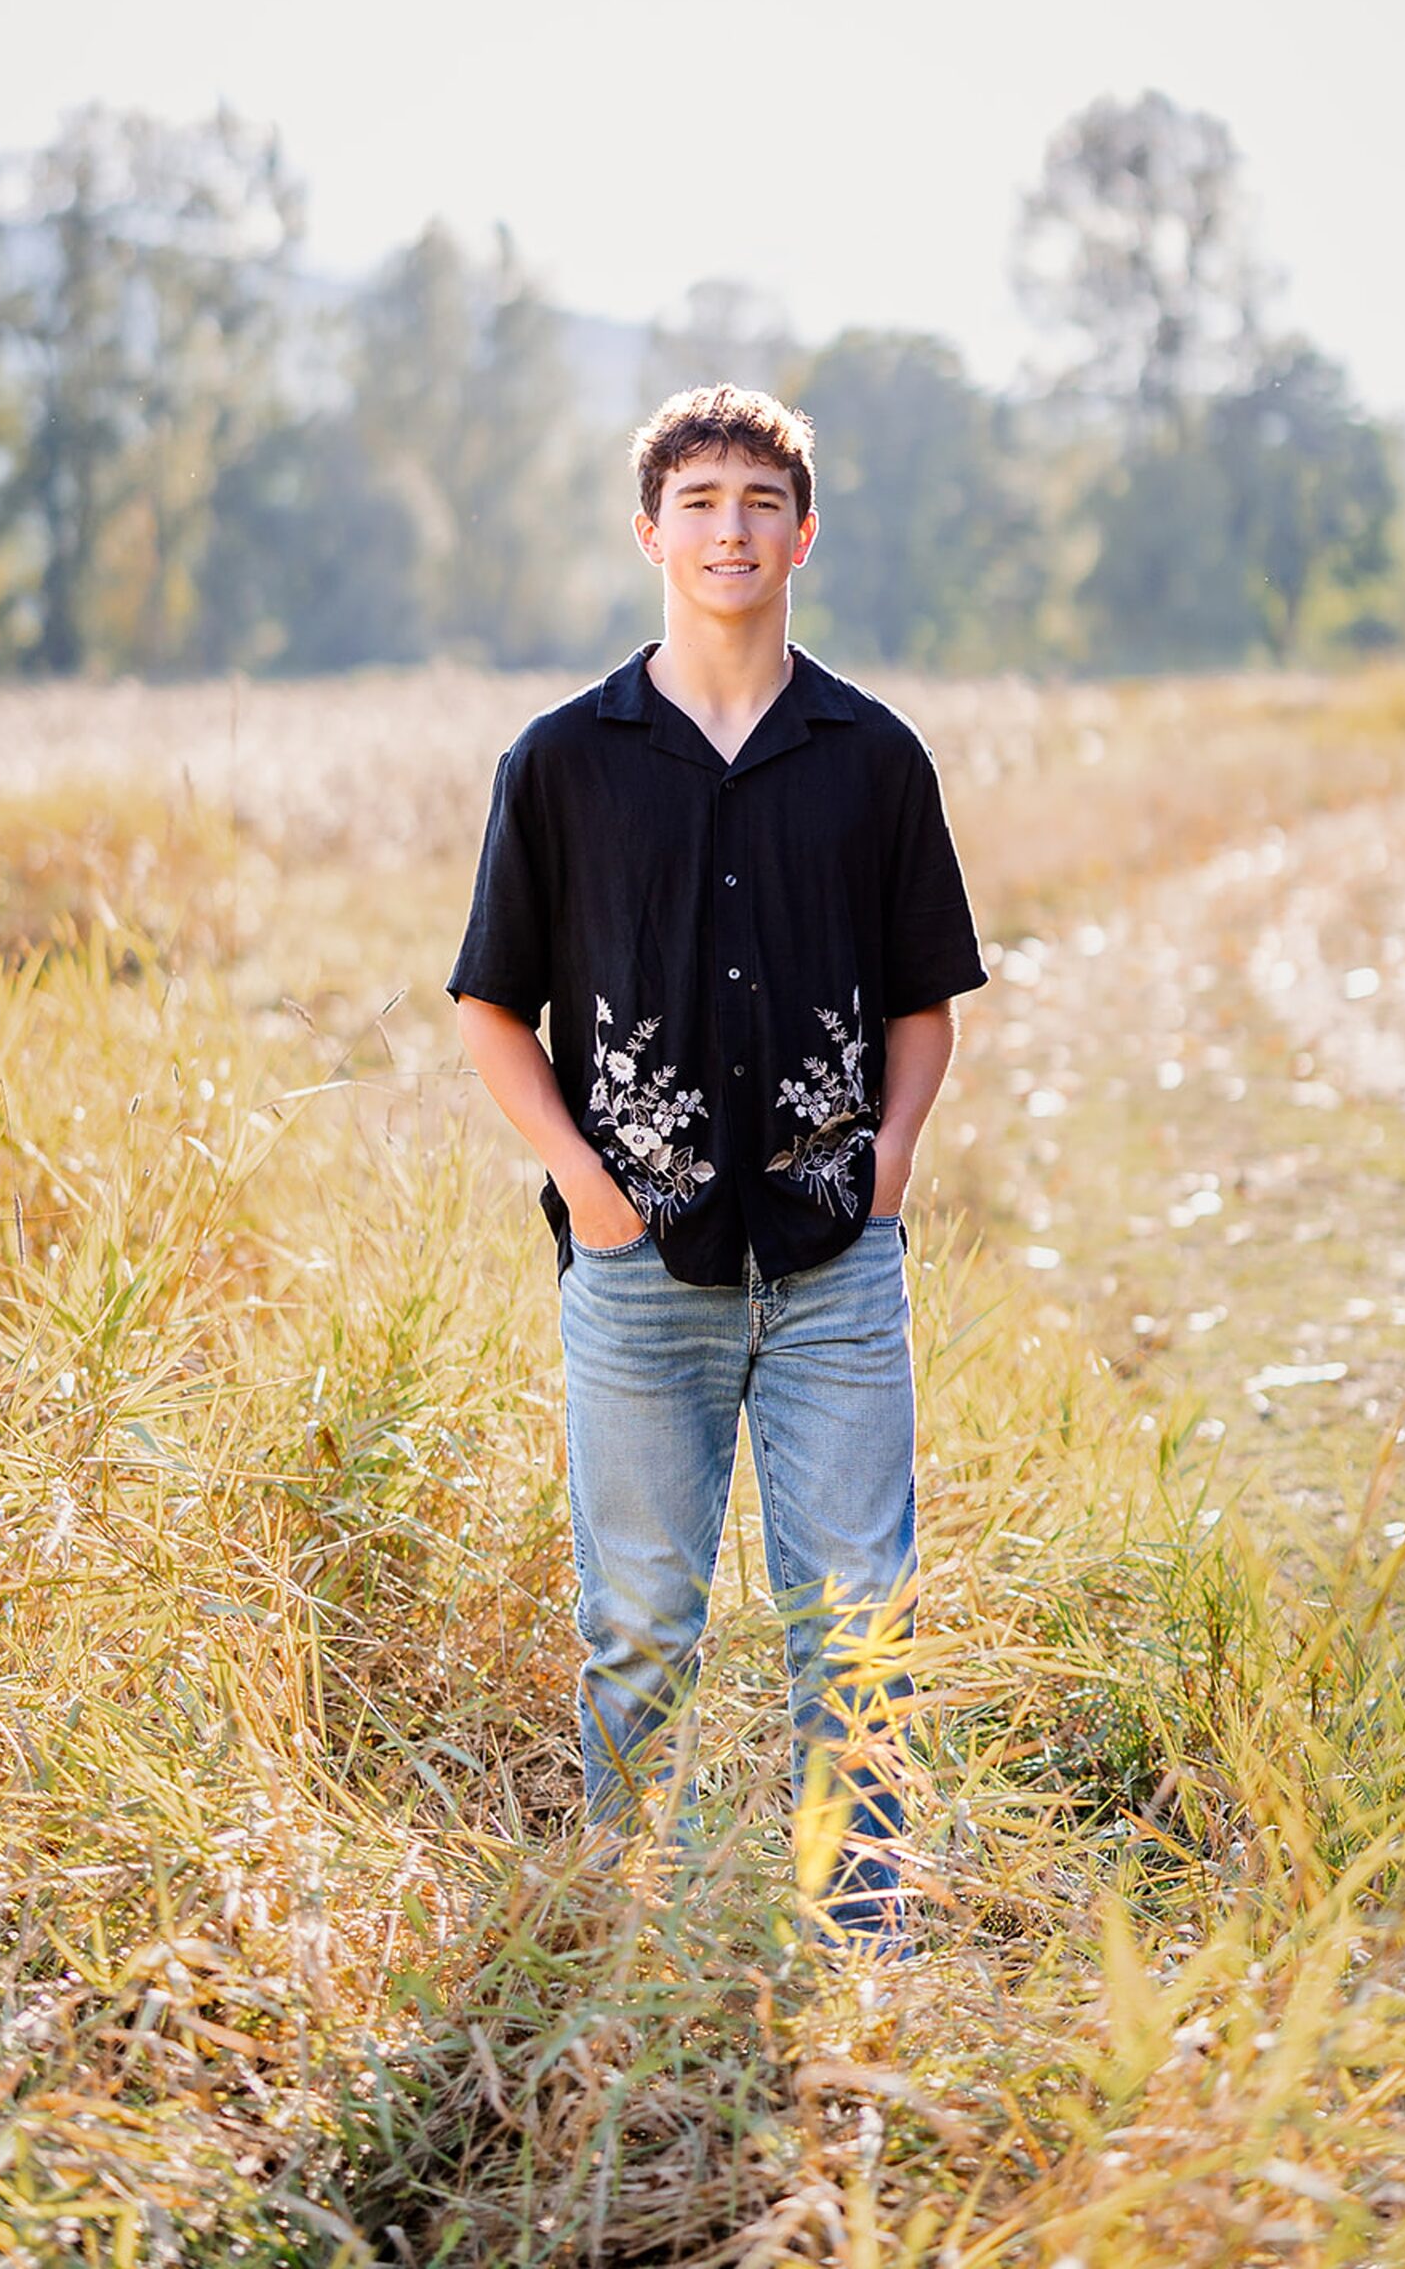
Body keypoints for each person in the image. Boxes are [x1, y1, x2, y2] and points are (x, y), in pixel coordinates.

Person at [448, 383, 985, 1943]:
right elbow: (493, 1007)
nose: (731, 528)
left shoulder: (874, 758)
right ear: (648, 533)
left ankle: (861, 1934)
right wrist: (595, 1194)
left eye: (761, 500)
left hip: (836, 1273)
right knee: (638, 1627)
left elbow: (922, 1006)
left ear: (803, 531)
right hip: (637, 1272)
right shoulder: (562, 762)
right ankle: (640, 1936)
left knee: (854, 1627)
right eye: (700, 502)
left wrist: (886, 1167)